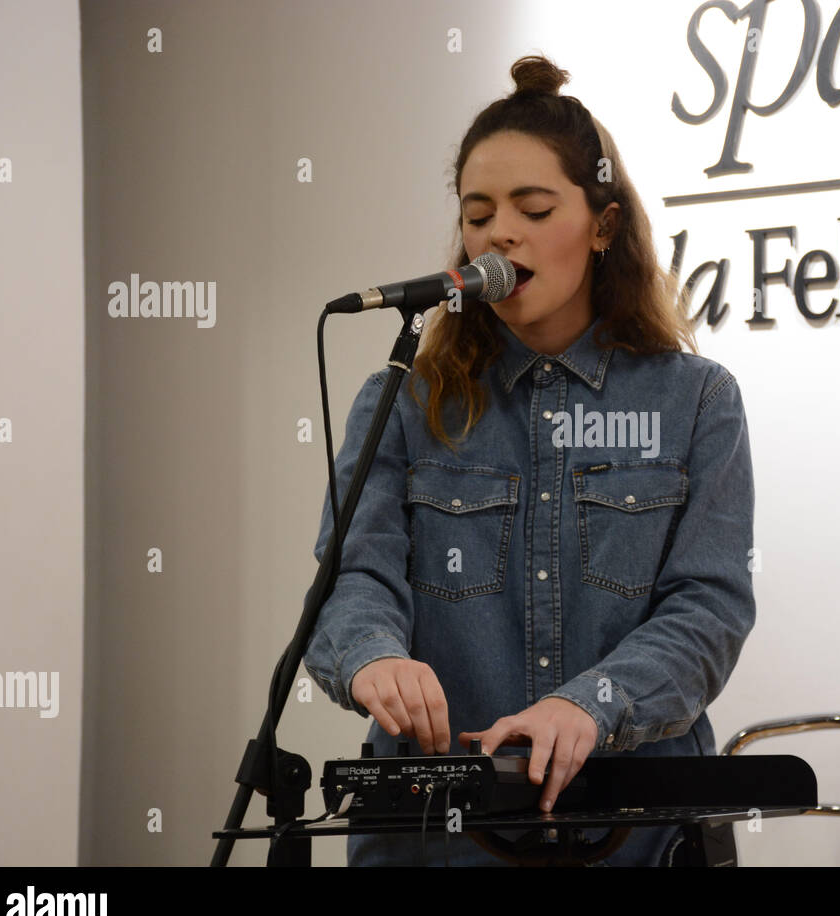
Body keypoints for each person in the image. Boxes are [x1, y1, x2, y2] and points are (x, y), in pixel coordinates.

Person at [303, 54, 755, 866]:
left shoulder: (698, 402)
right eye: (478, 216)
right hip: (436, 842)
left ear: (605, 227)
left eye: (534, 208)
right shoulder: (401, 403)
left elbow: (709, 612)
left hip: (633, 834)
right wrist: (372, 652)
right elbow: (351, 578)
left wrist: (589, 706)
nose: (499, 234)